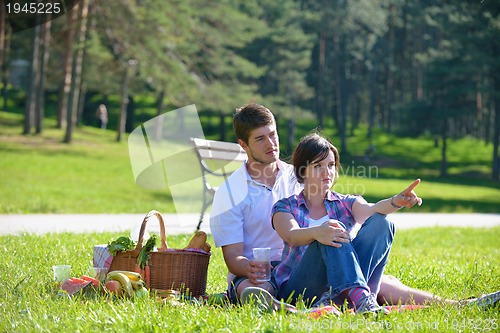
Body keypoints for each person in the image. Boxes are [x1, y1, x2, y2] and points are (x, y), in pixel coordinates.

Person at [209, 103, 499, 310]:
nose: (271, 143)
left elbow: (358, 208)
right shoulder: (231, 192)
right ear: (243, 145)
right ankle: (321, 303)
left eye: (272, 134)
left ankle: (457, 305)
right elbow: (234, 259)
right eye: (260, 138)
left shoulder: (296, 175)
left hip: (323, 258)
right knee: (254, 287)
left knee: (385, 276)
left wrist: (394, 203)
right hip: (272, 273)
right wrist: (252, 268)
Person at [271, 132, 421, 313]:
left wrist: (397, 201)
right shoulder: (285, 206)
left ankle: (359, 299)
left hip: (341, 290)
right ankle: (359, 299)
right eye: (318, 166)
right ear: (303, 171)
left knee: (382, 223)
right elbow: (292, 235)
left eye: (331, 165)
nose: (327, 172)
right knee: (331, 230)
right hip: (300, 291)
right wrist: (317, 232)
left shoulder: (346, 203)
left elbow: (372, 210)